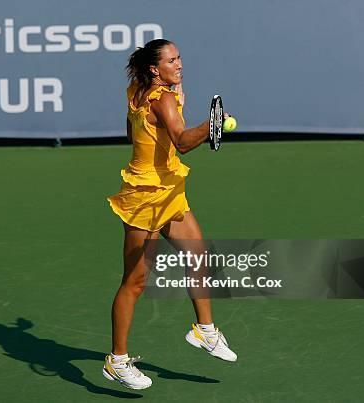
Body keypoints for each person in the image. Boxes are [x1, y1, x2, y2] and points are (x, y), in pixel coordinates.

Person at [103, 39, 237, 390]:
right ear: (154, 68)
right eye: (171, 60)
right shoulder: (161, 99)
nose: (179, 64)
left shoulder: (138, 88)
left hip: (168, 190)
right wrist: (209, 128)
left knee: (197, 252)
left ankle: (205, 331)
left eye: (179, 57)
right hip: (145, 197)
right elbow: (181, 140)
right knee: (134, 282)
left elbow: (132, 129)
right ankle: (117, 361)